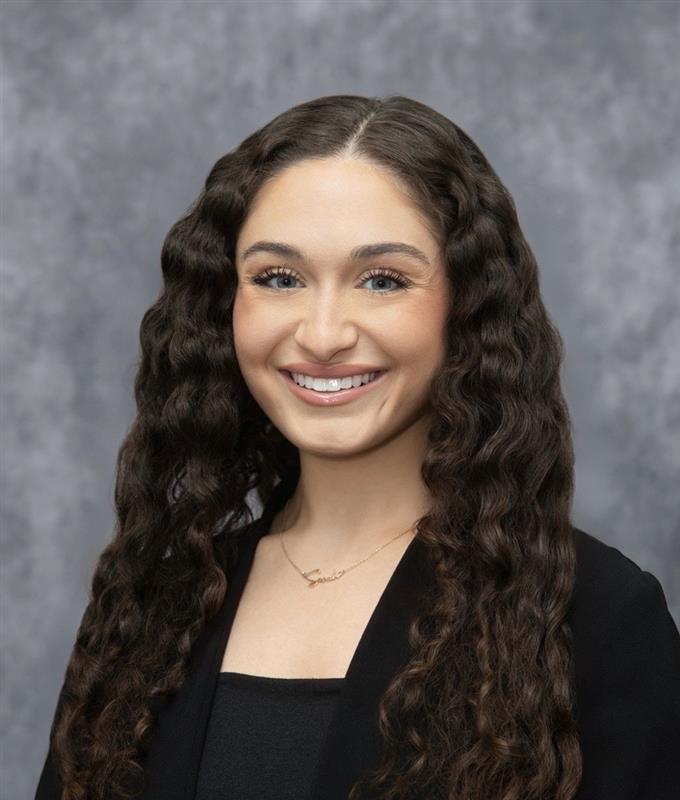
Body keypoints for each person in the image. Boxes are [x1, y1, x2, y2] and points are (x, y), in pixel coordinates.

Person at [35, 94, 680, 800]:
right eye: (279, 278)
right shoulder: (152, 607)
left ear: (466, 305)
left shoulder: (597, 617)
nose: (323, 335)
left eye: (382, 281)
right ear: (225, 303)